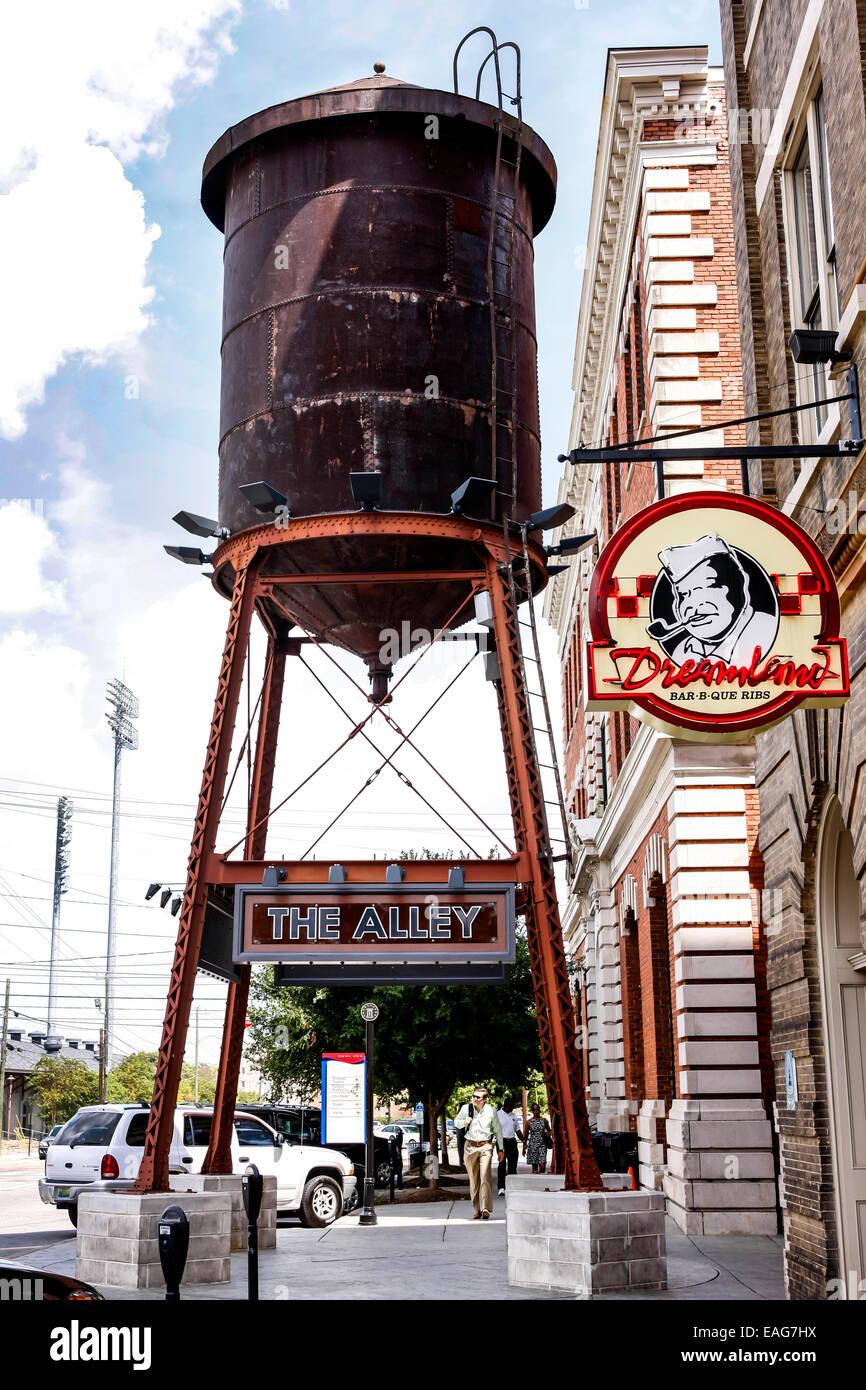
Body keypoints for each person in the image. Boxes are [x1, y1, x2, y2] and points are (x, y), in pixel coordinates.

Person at [656, 535, 778, 666]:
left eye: (708, 587)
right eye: (684, 594)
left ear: (738, 585)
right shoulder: (683, 651)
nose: (692, 605)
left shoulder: (765, 630)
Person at [453, 1085, 504, 1219]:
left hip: (485, 1146)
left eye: (478, 1097)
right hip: (469, 1146)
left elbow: (498, 1130)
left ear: (485, 1099)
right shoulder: (466, 1108)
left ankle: (485, 1207)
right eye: (473, 1096)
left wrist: (501, 1149)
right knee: (474, 1179)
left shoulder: (491, 1111)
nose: (474, 1099)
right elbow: (456, 1122)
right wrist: (464, 1121)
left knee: (485, 1176)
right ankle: (476, 1208)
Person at [496, 1097, 524, 1196]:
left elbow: (518, 1131)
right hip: (501, 1142)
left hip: (512, 1141)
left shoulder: (514, 1116)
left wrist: (524, 1141)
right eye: (511, 1106)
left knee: (513, 1164)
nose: (512, 1108)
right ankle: (501, 1187)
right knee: (502, 1165)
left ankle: (512, 1186)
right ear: (507, 1105)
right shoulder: (497, 1115)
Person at [523, 1102, 552, 1174]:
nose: (535, 1111)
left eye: (537, 1109)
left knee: (542, 1166)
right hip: (533, 1146)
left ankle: (542, 1182)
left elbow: (550, 1130)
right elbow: (526, 1135)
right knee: (535, 1169)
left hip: (542, 1145)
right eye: (534, 1110)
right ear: (532, 1111)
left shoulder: (544, 1120)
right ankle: (536, 1183)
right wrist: (524, 1146)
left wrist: (548, 1134)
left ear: (539, 1110)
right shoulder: (528, 1122)